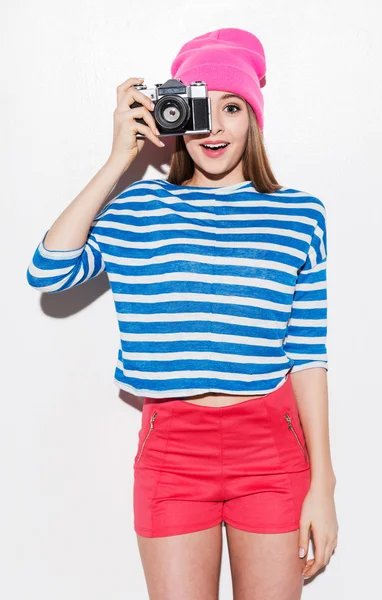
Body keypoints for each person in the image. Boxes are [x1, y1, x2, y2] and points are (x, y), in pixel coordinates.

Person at [26, 27, 338, 600]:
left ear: (254, 119)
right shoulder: (140, 206)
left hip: (270, 448)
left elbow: (309, 355)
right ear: (176, 117)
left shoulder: (300, 215)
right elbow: (48, 271)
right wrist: (119, 159)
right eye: (201, 109)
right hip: (173, 449)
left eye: (233, 107)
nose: (215, 127)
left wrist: (325, 483)